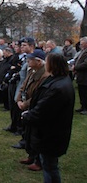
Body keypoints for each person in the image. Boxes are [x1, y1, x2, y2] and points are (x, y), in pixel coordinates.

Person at [22, 53, 75, 183]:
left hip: (51, 134)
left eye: (48, 62)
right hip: (52, 131)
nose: (46, 64)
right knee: (49, 165)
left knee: (50, 167)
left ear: (54, 65)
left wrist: (27, 115)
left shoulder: (58, 88)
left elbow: (44, 110)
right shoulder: (58, 80)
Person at [16, 49, 50, 171]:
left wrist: (24, 104)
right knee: (28, 133)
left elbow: (39, 95)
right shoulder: (32, 71)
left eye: (30, 59)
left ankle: (38, 160)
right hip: (26, 104)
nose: (28, 61)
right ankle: (31, 155)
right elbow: (23, 86)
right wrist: (19, 99)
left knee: (37, 135)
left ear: (38, 61)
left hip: (35, 107)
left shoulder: (45, 75)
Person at [72, 36, 87, 115]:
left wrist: (76, 67)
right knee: (81, 92)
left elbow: (85, 64)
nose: (80, 45)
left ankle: (85, 108)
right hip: (80, 76)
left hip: (85, 76)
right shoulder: (82, 51)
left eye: (82, 44)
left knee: (85, 92)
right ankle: (82, 106)